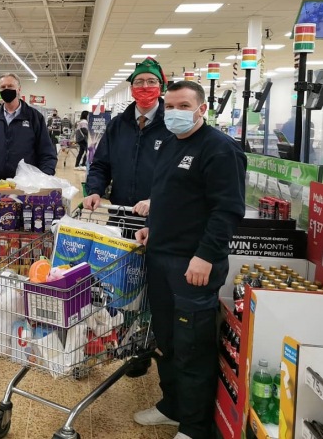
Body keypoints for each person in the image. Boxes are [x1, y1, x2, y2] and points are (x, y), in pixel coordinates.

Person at [134, 80, 246, 439]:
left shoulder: (220, 149)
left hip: (194, 266)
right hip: (161, 257)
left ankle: (196, 426)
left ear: (202, 109)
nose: (174, 113)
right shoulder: (168, 143)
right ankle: (172, 406)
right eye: (169, 106)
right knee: (166, 339)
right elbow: (167, 195)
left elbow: (226, 211)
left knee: (192, 346)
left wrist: (206, 256)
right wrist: (153, 227)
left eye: (183, 106)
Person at [0, 73, 57, 297]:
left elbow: (47, 154)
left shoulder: (34, 117)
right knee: (0, 237)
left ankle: (27, 283)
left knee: (26, 236)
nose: (6, 89)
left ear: (19, 89)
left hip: (26, 191)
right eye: (2, 87)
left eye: (10, 86)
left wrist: (43, 182)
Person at [83, 57, 172, 214]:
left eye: (151, 81)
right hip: (120, 213)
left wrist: (156, 199)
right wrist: (94, 191)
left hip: (161, 216)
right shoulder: (117, 125)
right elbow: (101, 165)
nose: (145, 86)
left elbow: (182, 175)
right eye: (139, 82)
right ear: (132, 89)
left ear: (161, 87)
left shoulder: (172, 125)